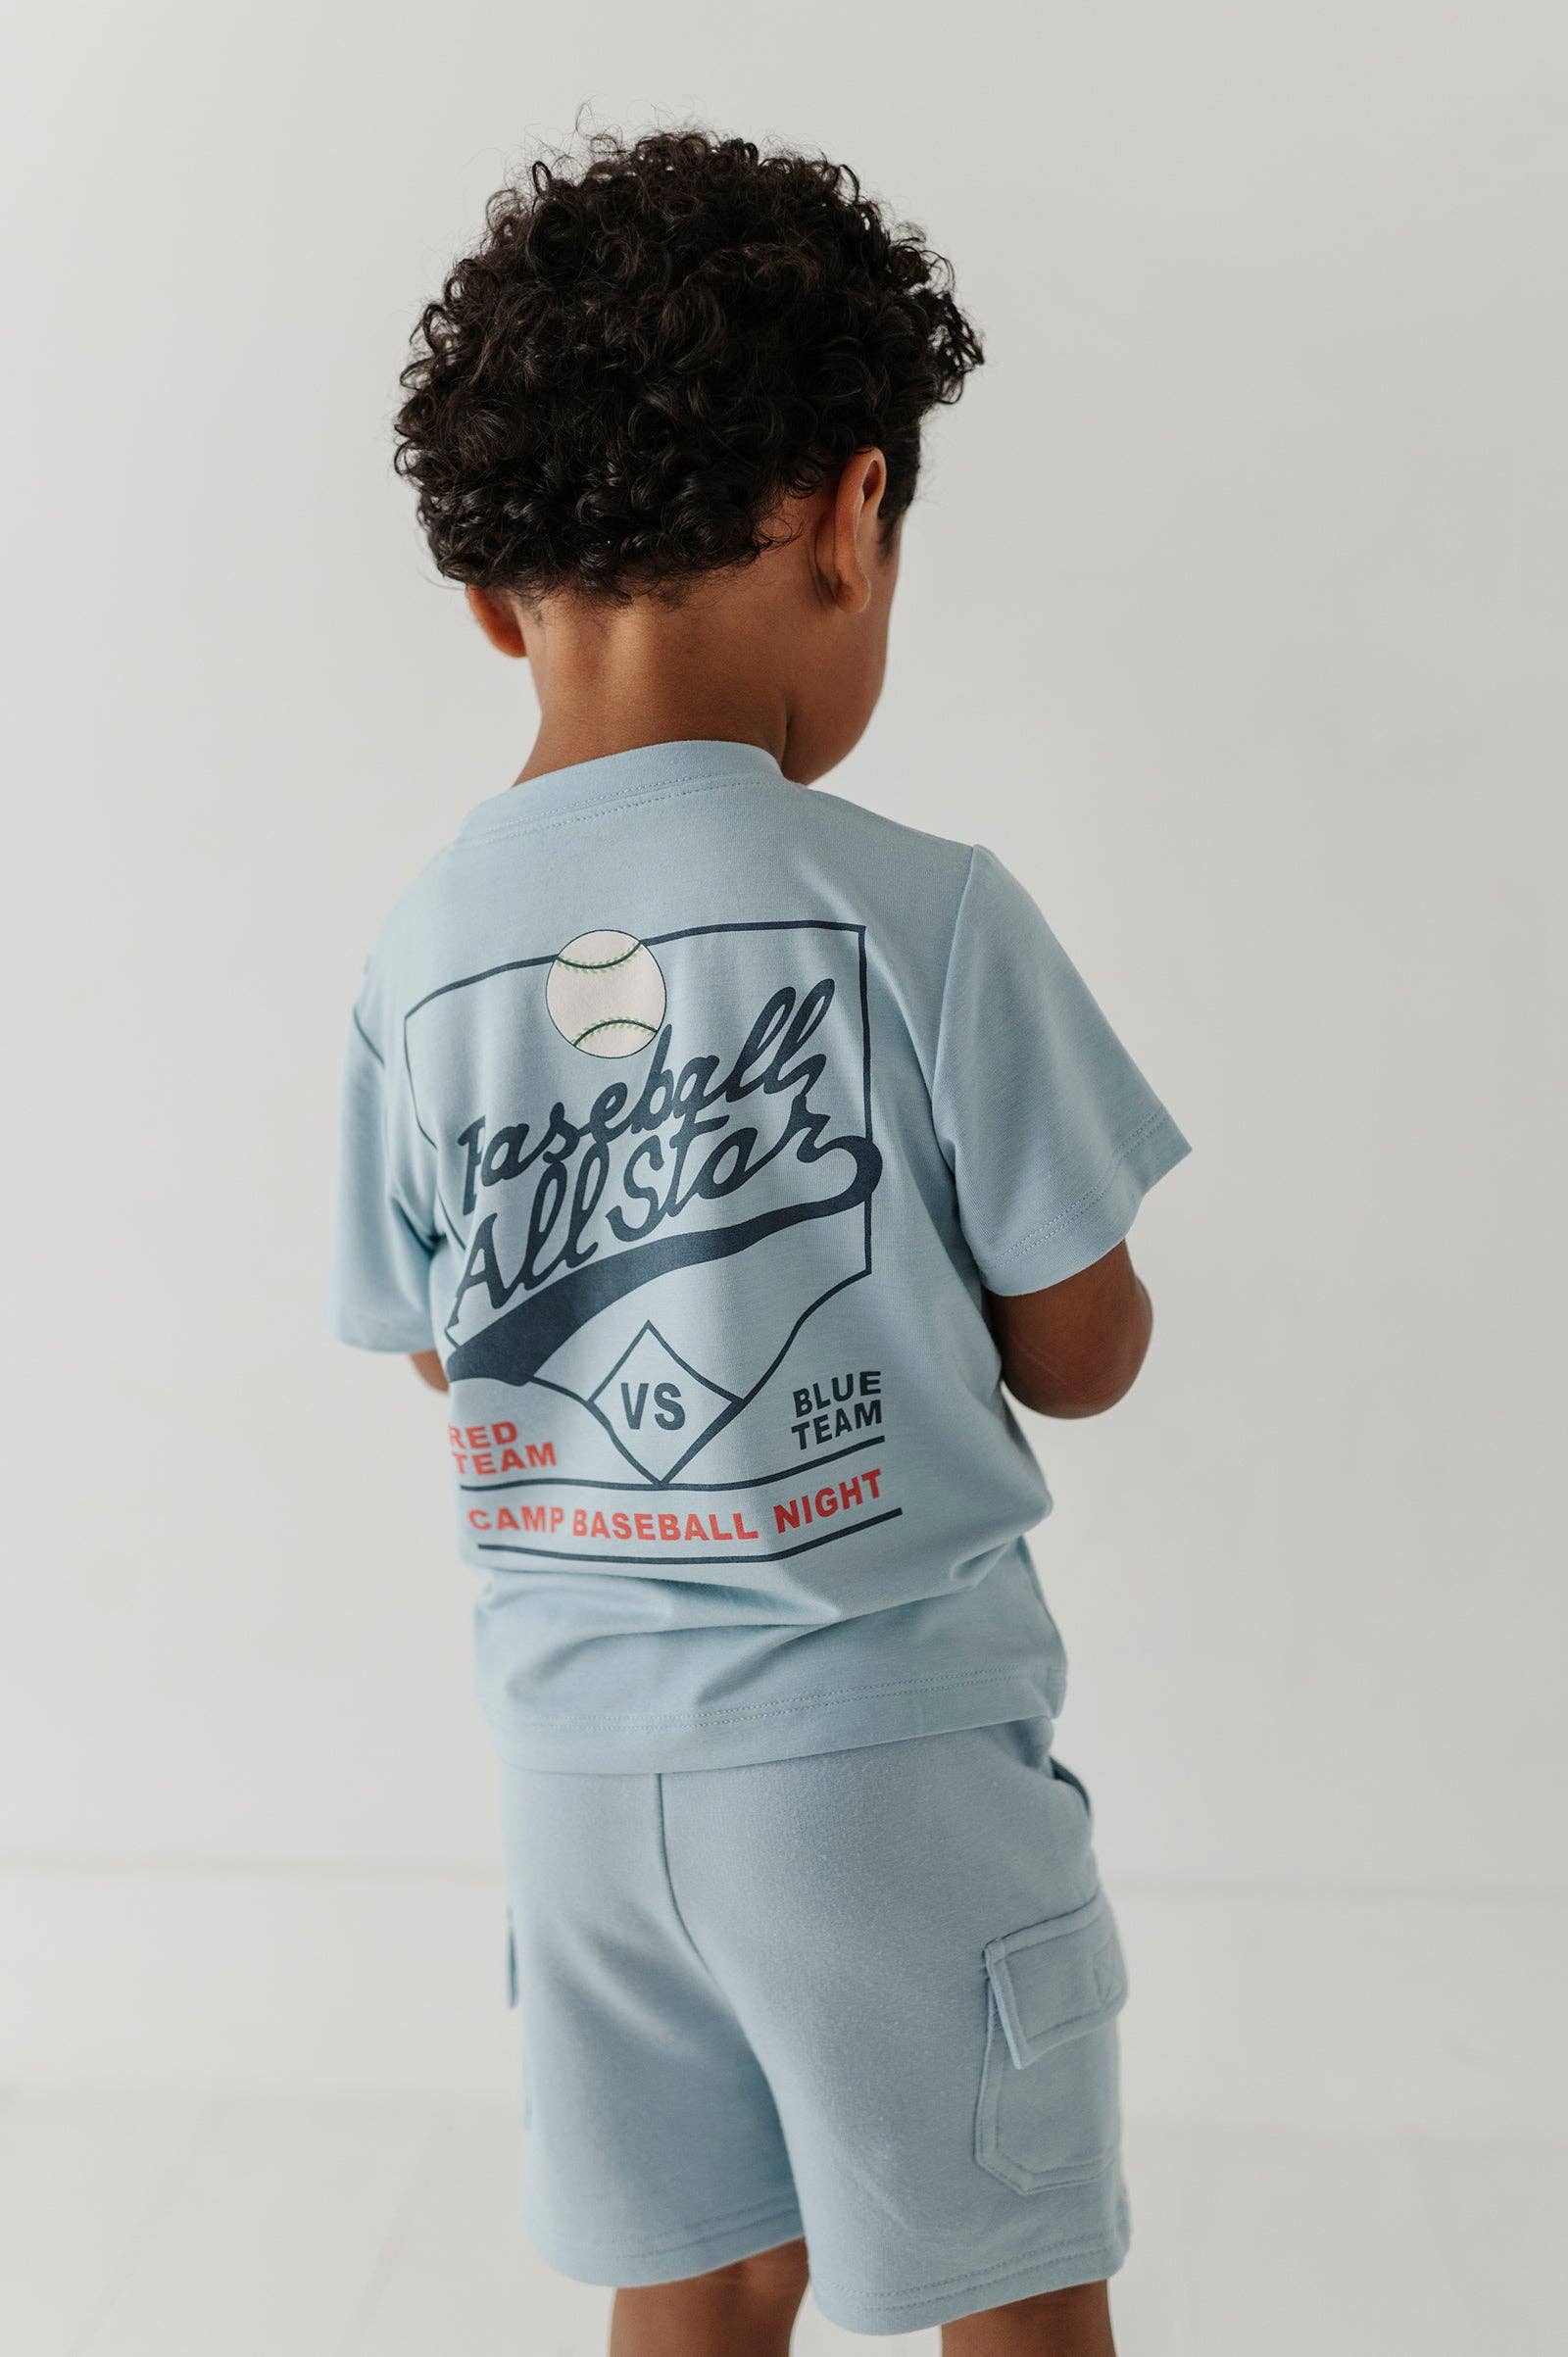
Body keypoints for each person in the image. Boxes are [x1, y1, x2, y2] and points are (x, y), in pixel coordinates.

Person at [330, 128, 1188, 2355]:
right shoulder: (923, 913)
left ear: (492, 598)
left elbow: (442, 1340)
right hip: (880, 1762)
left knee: (702, 2273)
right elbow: (1082, 1344)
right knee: (1009, 2280)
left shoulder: (418, 956)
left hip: (574, 1781)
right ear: (849, 513)